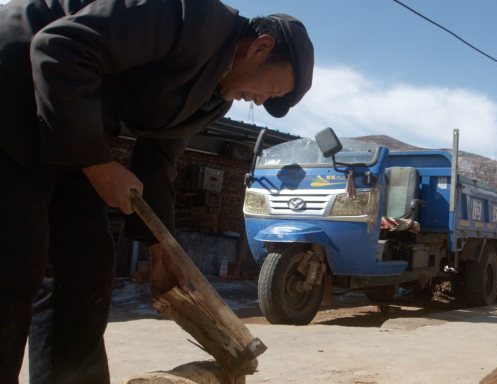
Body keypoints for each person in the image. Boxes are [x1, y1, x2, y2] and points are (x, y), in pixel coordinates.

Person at [0, 0, 314, 382]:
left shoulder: (215, 96)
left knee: (84, 272)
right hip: (16, 81)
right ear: (260, 47)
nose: (263, 101)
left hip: (76, 127)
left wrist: (159, 247)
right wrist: (97, 164)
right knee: (15, 262)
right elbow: (57, 44)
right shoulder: (184, 15)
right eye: (274, 87)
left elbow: (158, 155)